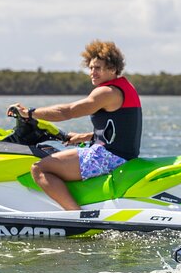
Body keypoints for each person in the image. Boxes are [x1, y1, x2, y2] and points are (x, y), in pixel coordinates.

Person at [9, 39, 142, 210]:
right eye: (91, 68)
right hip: (120, 154)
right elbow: (122, 128)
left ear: (113, 69)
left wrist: (29, 113)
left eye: (98, 68)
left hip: (109, 158)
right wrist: (85, 136)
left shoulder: (107, 92)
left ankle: (77, 215)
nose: (92, 72)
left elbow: (67, 111)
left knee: (39, 169)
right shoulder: (123, 87)